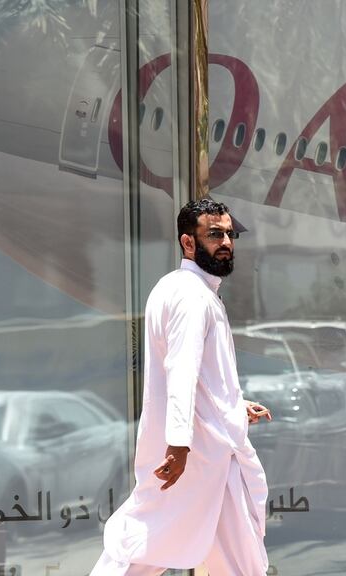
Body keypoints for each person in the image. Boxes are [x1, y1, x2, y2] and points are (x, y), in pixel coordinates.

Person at [92, 199, 272, 576]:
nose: (226, 242)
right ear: (188, 243)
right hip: (198, 457)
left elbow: (204, 377)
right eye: (215, 234)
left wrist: (234, 407)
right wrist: (179, 445)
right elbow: (181, 371)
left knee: (155, 550)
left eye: (229, 234)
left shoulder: (187, 289)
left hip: (211, 455)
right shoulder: (191, 296)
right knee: (145, 549)